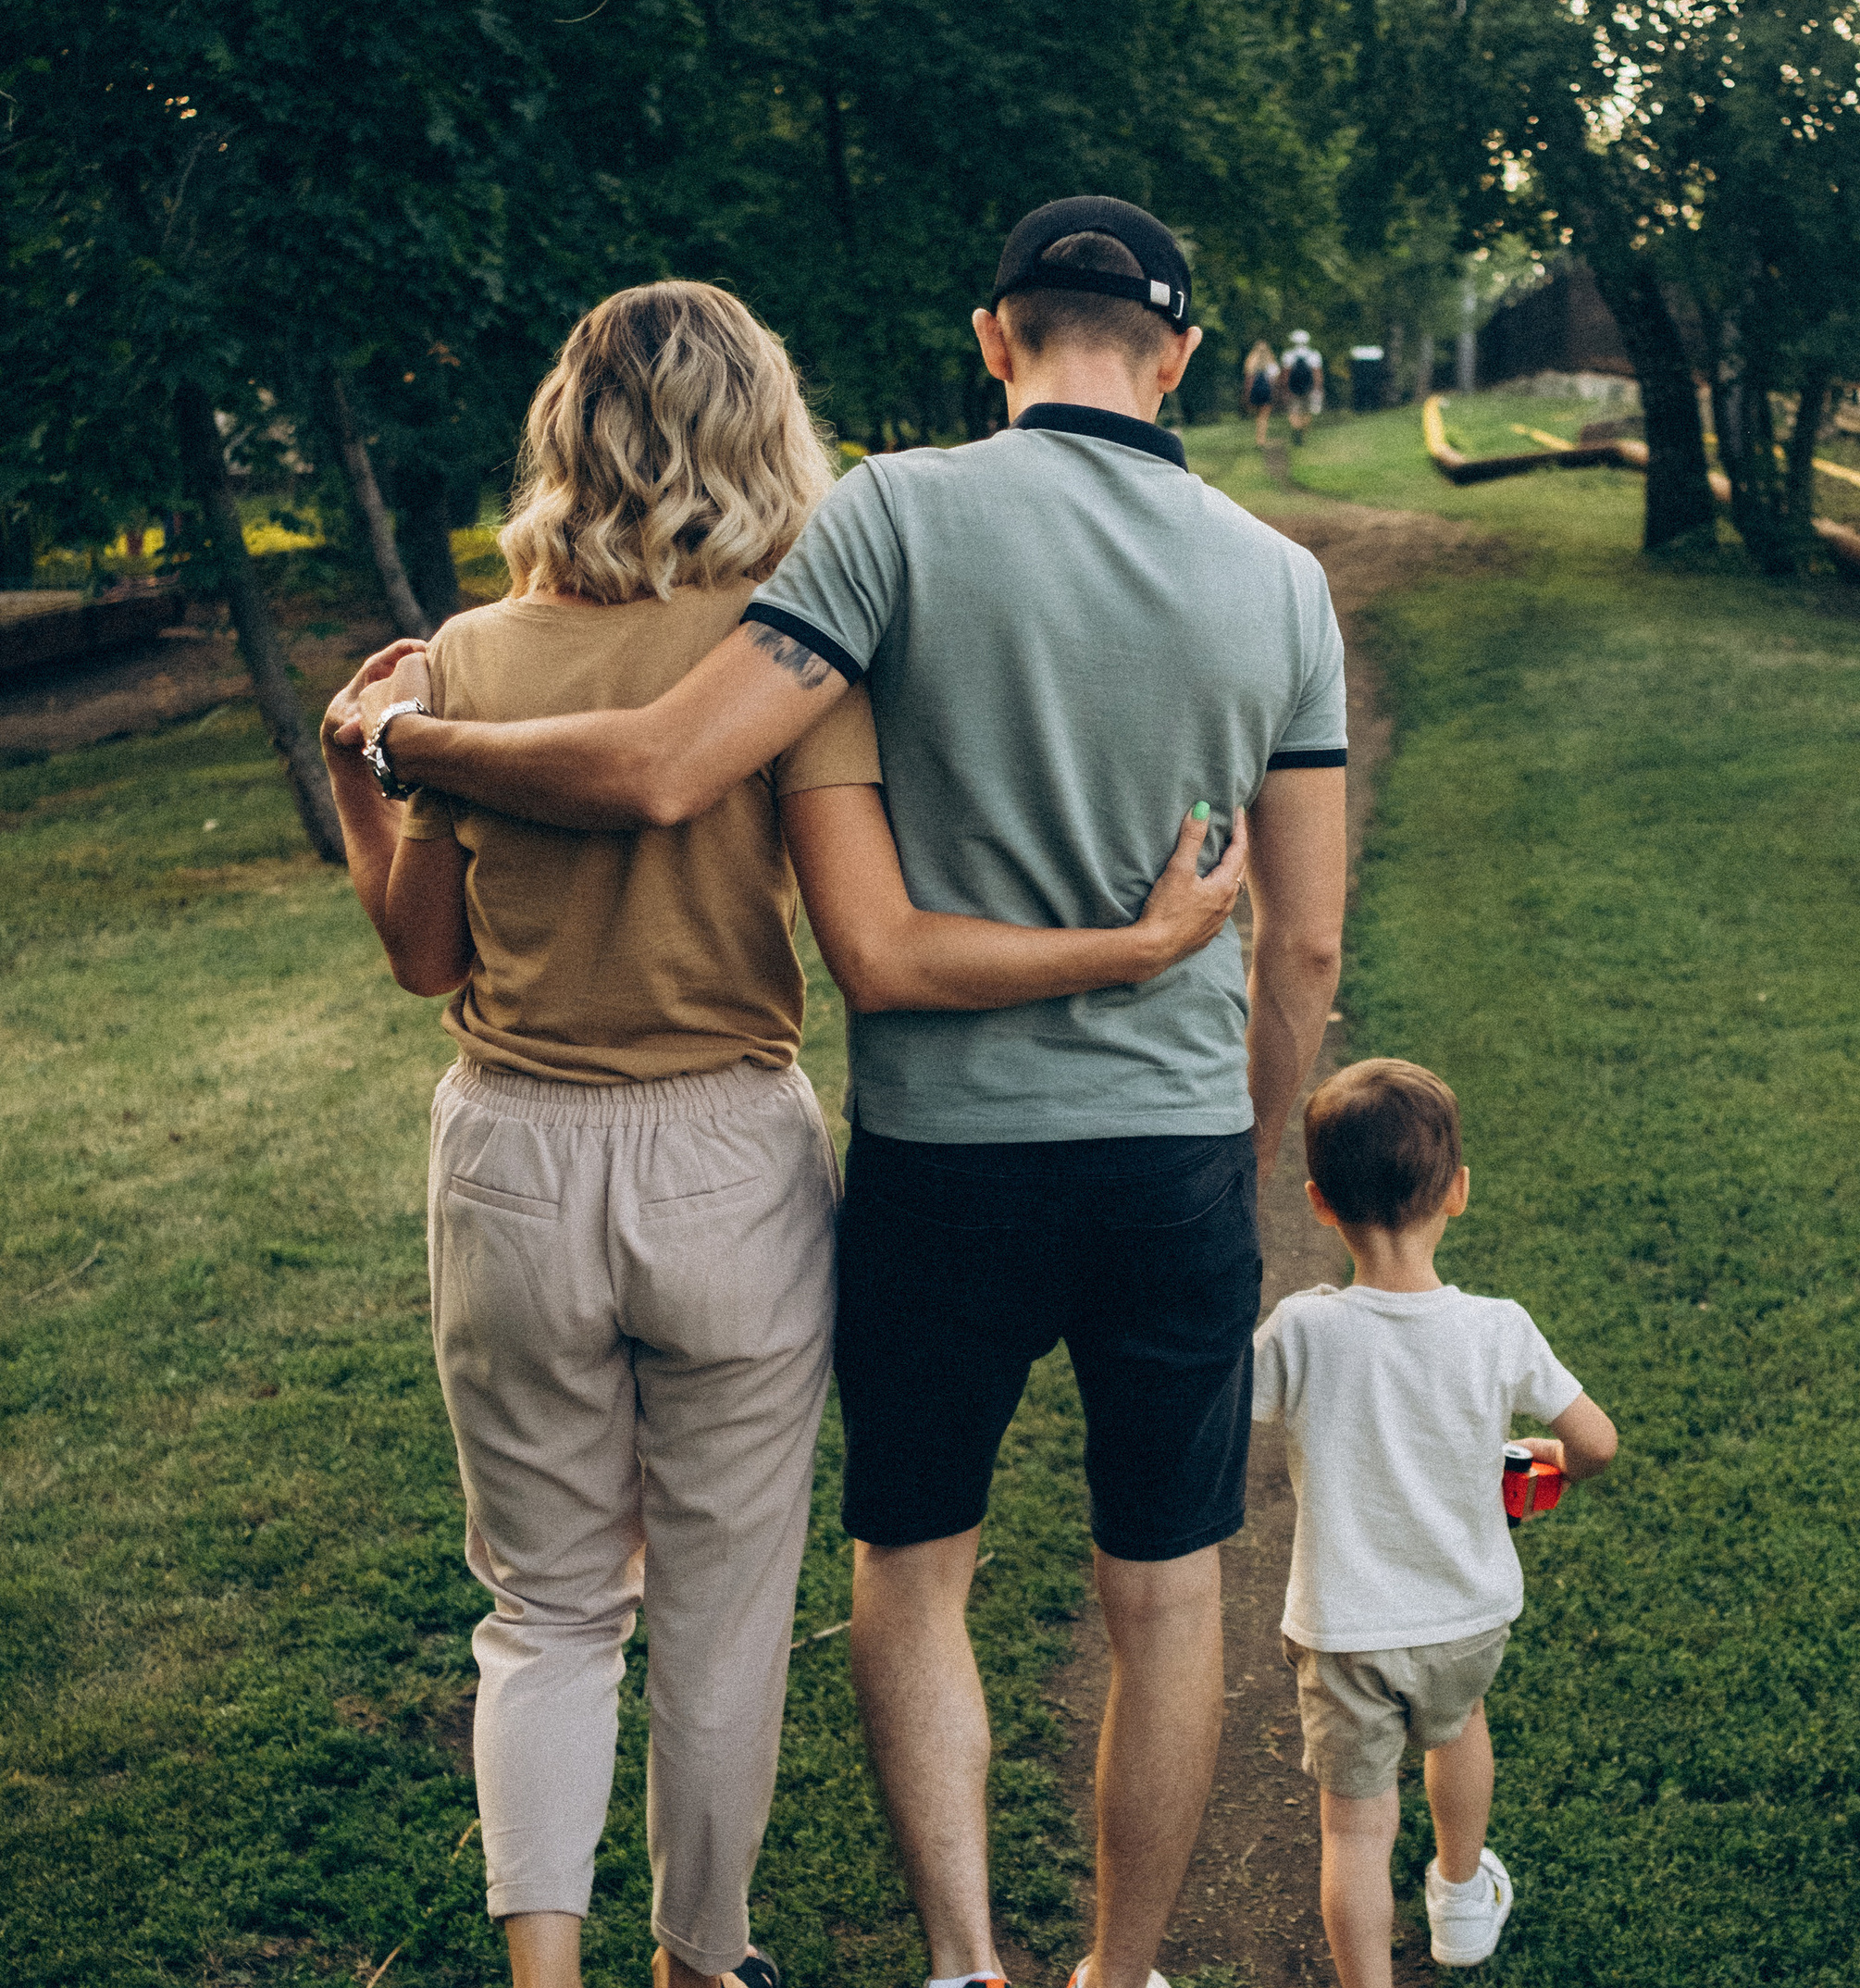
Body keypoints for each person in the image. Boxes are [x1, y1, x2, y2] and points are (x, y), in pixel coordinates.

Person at [342, 198, 1351, 1988]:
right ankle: (1114, 1974)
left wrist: (399, 740)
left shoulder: (892, 520)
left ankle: (962, 1963)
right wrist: (1241, 1137)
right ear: (1185, 357)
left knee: (906, 1567)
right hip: (1163, 1160)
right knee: (1167, 1585)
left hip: (940, 1158)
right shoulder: (1282, 582)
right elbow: (1306, 951)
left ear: (994, 339)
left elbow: (692, 804)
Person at [1251, 1059, 1618, 1984]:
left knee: (1355, 1828)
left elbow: (1216, 1418)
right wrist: (1552, 1462)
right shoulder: (1497, 1329)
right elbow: (1597, 1442)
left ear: (1319, 1202)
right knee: (1459, 1732)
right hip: (1463, 1618)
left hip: (1341, 1633)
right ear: (1457, 1191)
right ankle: (1459, 1897)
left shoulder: (1301, 1329)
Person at [1279, 329, 1325, 444]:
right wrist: (1318, 388)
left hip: (1293, 389)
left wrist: (1284, 389)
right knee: (1307, 411)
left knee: (1294, 411)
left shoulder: (1288, 355)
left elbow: (1285, 375)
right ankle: (1302, 433)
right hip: (1309, 388)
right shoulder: (1314, 355)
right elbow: (1317, 374)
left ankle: (1296, 428)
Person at [1242, 339, 1281, 445]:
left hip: (1254, 391)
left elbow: (1248, 379)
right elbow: (1275, 379)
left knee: (1258, 415)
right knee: (1263, 416)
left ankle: (1259, 438)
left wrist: (1246, 394)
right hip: (1266, 391)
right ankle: (1261, 439)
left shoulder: (1250, 361)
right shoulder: (1271, 362)